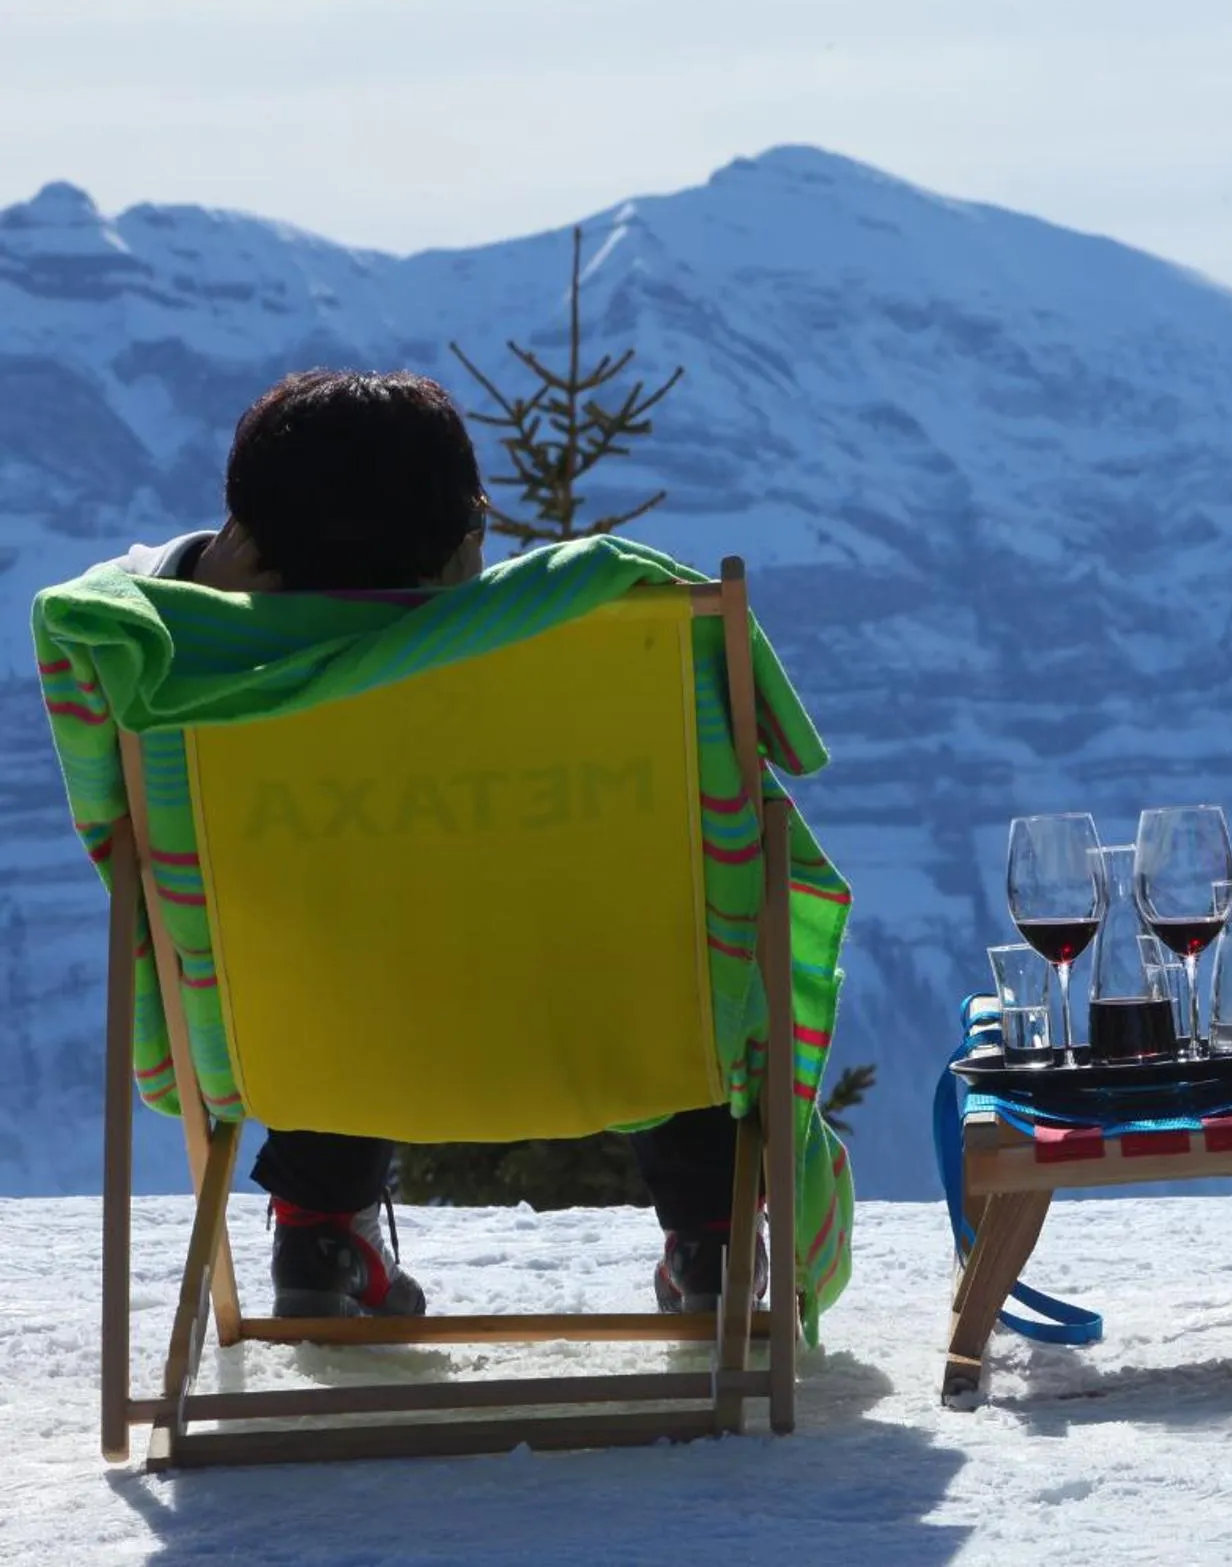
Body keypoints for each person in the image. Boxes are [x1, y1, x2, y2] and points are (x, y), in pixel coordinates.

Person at [114, 368, 760, 1319]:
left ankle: (320, 1235)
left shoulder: (184, 680)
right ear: (460, 545)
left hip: (315, 1033)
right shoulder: (601, 661)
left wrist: (207, 587)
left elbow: (130, 590)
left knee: (318, 928)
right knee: (669, 924)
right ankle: (712, 1238)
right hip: (586, 1024)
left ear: (253, 549)